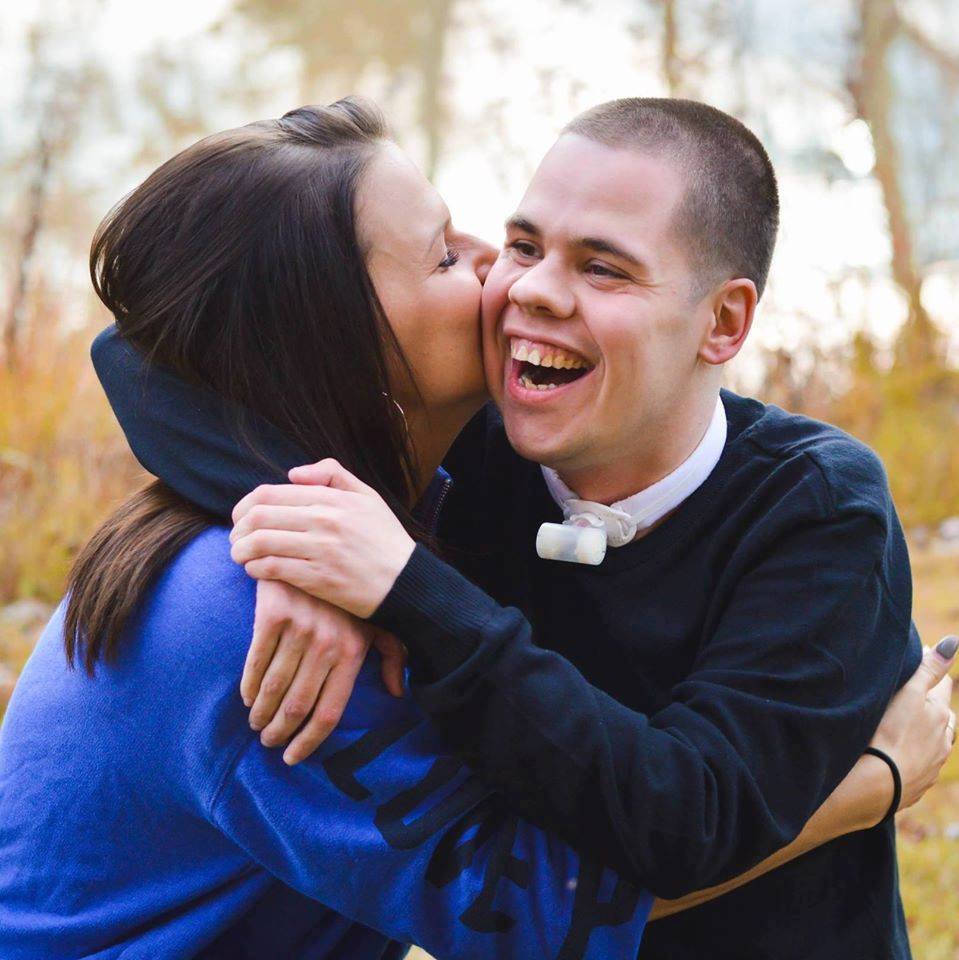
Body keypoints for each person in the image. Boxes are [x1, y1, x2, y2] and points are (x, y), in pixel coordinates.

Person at [3, 97, 945, 960]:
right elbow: (532, 910)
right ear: (336, 334)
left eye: (603, 266)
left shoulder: (811, 509)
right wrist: (868, 787)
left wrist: (368, 570)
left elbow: (680, 818)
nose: (510, 280)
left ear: (722, 321)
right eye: (465, 255)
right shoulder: (257, 617)